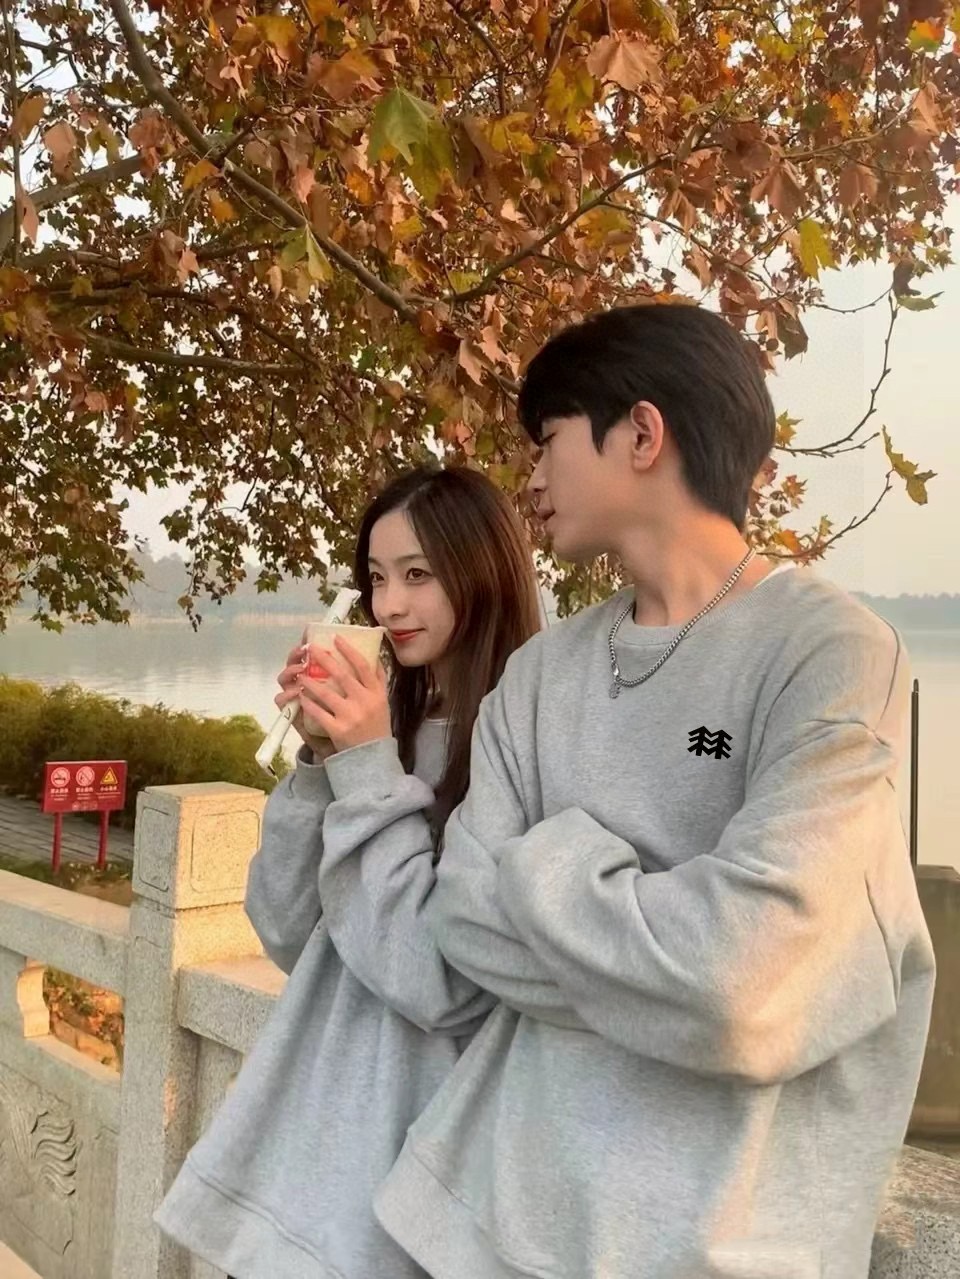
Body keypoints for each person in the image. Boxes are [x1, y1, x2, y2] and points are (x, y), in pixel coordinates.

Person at [374, 304, 937, 1278]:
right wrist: (660, 956)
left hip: (716, 1249)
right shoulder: (540, 674)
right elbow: (463, 919)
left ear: (641, 433)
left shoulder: (832, 652)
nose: (531, 478)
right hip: (490, 1223)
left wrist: (550, 859)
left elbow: (738, 984)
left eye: (549, 440)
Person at [153, 464, 543, 1278]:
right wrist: (321, 758)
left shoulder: (524, 754)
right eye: (376, 577)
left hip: (416, 1176)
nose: (389, 605)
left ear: (483, 572)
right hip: (313, 1156)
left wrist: (366, 768)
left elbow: (439, 980)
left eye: (417, 575)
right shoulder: (387, 735)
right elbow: (286, 927)